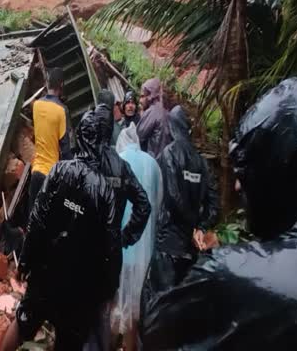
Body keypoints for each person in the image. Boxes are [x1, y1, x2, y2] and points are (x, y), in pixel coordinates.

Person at [142, 78, 297, 349]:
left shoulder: (232, 276)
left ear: (279, 171)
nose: (239, 185)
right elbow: (212, 199)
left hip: (172, 243)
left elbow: (157, 330)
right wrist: (201, 225)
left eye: (247, 171)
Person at [1, 111, 122, 351]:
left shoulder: (58, 171)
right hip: (79, 284)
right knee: (68, 341)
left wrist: (25, 261)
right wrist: (108, 289)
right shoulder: (105, 191)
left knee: (24, 320)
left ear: (79, 137)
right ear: (102, 144)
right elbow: (110, 246)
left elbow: (37, 219)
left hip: (46, 270)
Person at [80, 104, 152, 351]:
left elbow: (70, 204)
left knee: (83, 311)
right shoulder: (121, 166)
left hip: (86, 249)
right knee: (105, 309)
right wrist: (125, 237)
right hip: (111, 252)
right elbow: (144, 205)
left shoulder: (84, 164)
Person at [141, 105, 218, 309]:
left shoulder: (169, 154)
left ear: (172, 127)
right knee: (183, 305)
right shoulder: (201, 162)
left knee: (160, 305)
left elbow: (174, 197)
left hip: (169, 243)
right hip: (191, 248)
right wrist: (200, 227)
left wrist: (191, 225)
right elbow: (213, 203)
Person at [111, 124, 162, 351]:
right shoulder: (153, 164)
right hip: (145, 248)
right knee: (135, 304)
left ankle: (110, 344)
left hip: (120, 247)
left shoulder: (117, 160)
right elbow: (158, 204)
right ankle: (129, 346)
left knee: (114, 300)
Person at [28, 68, 72, 216]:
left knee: (32, 222)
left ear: (48, 84)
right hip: (51, 176)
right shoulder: (62, 110)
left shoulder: (36, 105)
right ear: (62, 85)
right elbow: (66, 151)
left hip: (35, 173)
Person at [136, 79, 172, 158]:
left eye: (142, 96)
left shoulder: (152, 112)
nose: (140, 101)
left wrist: (143, 115)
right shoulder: (164, 110)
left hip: (155, 160)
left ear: (150, 95)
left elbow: (137, 137)